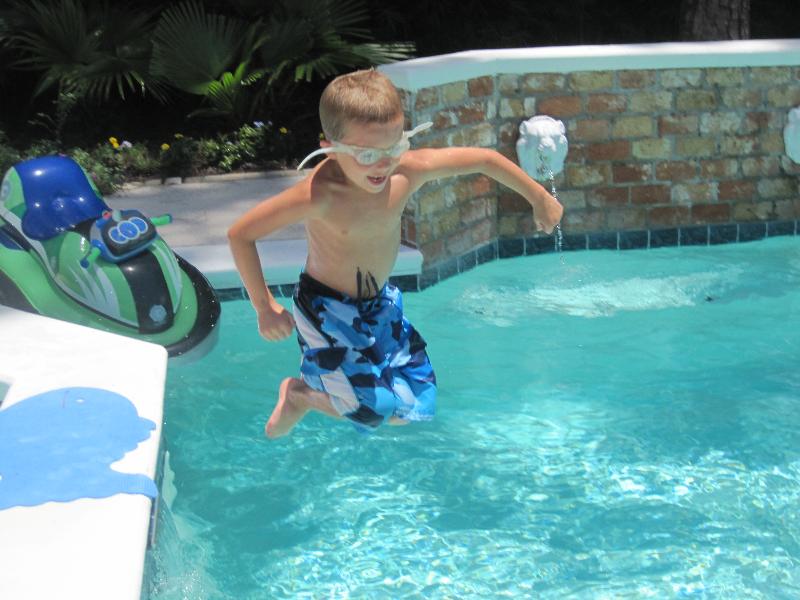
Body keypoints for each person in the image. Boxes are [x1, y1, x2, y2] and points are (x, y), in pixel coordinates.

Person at [227, 69, 563, 438]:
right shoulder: (320, 195)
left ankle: (330, 393)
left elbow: (484, 159)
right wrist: (264, 306)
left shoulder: (407, 172)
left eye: (394, 148)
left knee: (417, 405)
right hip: (327, 309)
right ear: (330, 148)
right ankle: (301, 396)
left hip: (378, 303)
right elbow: (241, 234)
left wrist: (539, 197)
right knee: (372, 410)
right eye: (367, 154)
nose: (383, 165)